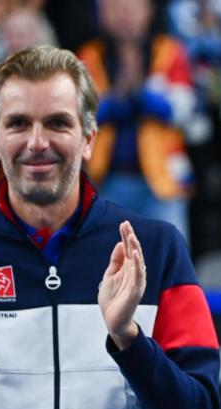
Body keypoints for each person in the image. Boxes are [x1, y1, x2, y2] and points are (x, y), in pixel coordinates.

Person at [0, 46, 220, 409]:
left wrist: (128, 338)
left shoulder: (156, 248)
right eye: (18, 123)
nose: (37, 142)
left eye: (57, 123)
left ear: (88, 138)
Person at [77, 0, 196, 241]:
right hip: (106, 181)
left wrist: (141, 93)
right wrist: (118, 99)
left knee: (169, 267)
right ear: (103, 14)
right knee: (107, 267)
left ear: (148, 12)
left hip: (162, 181)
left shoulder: (170, 51)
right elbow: (79, 115)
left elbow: (183, 110)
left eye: (132, 9)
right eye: (117, 9)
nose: (125, 16)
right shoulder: (89, 56)